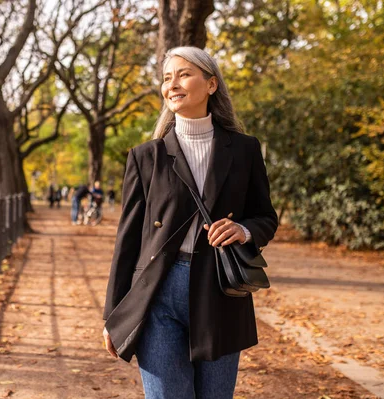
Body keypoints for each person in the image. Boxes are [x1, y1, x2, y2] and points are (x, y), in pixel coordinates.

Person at [102, 46, 278, 399]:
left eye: (183, 74)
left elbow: (266, 217)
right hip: (157, 295)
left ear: (211, 84)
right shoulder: (145, 157)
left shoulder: (244, 150)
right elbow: (128, 241)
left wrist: (243, 231)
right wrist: (113, 314)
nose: (173, 84)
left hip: (220, 294)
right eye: (167, 78)